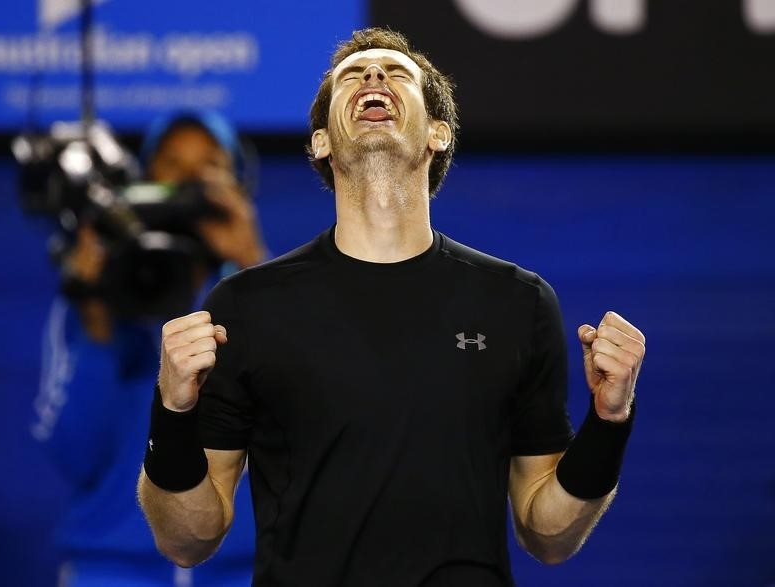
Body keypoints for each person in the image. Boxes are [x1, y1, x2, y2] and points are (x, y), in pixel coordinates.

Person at [138, 29, 646, 587]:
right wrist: (172, 413)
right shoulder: (244, 307)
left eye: (396, 73)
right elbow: (187, 538)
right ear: (321, 143)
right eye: (352, 76)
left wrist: (609, 422)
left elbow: (546, 533)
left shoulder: (517, 304)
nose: (373, 77)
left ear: (438, 134)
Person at [32, 110, 266, 586]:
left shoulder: (264, 298)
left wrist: (252, 264)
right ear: (143, 182)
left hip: (241, 572)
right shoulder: (97, 297)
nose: (188, 182)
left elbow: (293, 435)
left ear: (237, 185)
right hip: (111, 569)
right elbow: (74, 456)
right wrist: (97, 320)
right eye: (172, 164)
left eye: (209, 166)